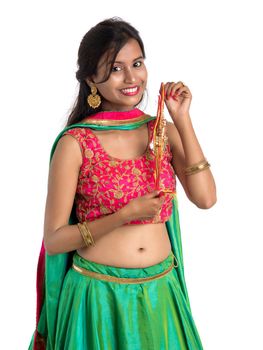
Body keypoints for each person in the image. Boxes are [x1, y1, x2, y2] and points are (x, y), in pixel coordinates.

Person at [28, 17, 216, 350]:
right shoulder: (77, 143)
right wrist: (123, 216)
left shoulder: (161, 131)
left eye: (137, 63)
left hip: (160, 296)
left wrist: (182, 119)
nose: (132, 78)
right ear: (91, 79)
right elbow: (55, 239)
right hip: (97, 299)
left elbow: (205, 198)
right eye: (116, 68)